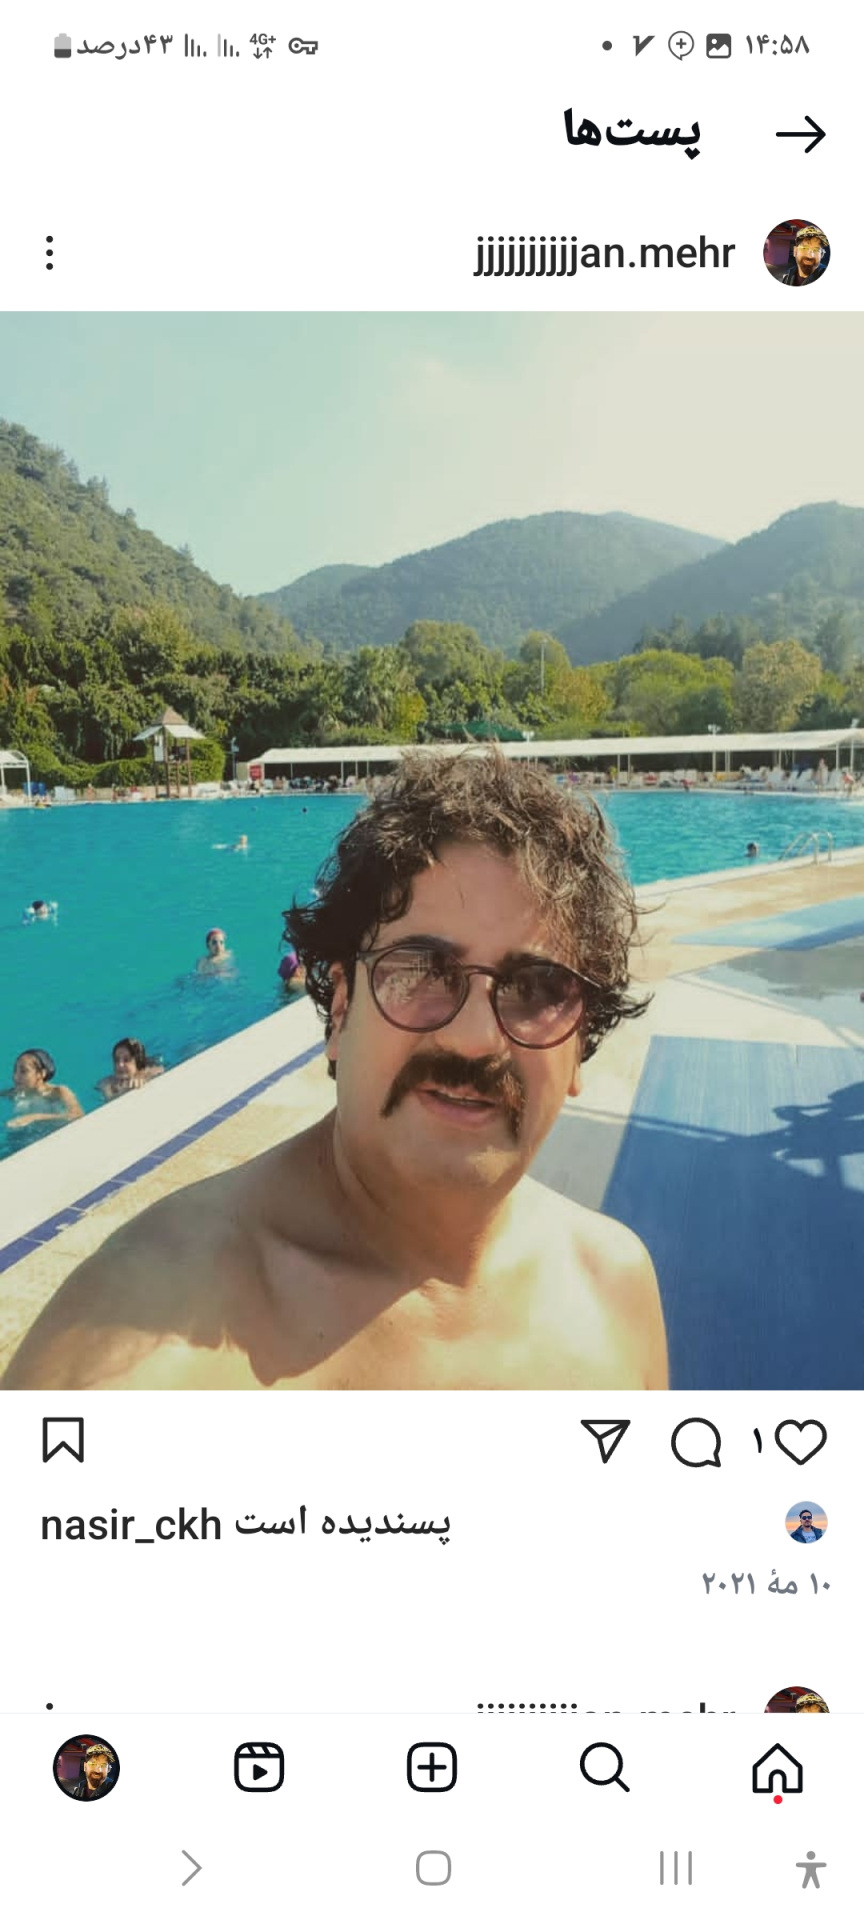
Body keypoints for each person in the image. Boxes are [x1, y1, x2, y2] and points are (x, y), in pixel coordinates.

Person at [2, 750, 667, 1391]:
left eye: (536, 987)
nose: (473, 1039)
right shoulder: (145, 1336)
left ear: (579, 1044)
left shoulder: (616, 1288)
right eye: (421, 971)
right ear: (341, 1010)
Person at [1, 1049, 83, 1134]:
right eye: (15, 1071)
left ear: (41, 1073)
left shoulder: (59, 1092)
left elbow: (77, 1116)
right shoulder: (16, 1093)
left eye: (23, 1071)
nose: (16, 1077)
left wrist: (34, 1117)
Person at [96, 1038, 165, 1101]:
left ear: (137, 1064)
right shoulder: (108, 1082)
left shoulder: (147, 1071)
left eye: (126, 1060)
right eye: (116, 1060)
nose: (120, 1065)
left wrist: (142, 1075)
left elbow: (160, 1069)